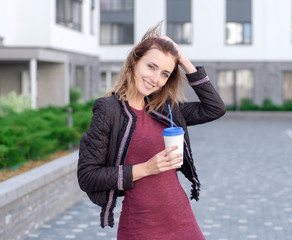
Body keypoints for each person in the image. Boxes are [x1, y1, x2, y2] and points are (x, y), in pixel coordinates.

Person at [77, 23, 226, 240]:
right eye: (151, 67)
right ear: (135, 62)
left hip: (182, 219)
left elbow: (215, 108)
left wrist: (182, 60)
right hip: (141, 225)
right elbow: (88, 176)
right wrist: (146, 168)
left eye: (165, 73)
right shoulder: (109, 109)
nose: (155, 78)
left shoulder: (165, 109)